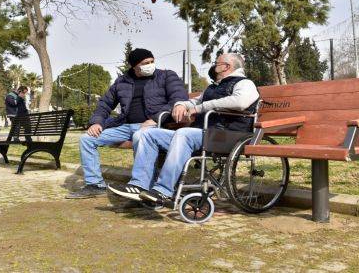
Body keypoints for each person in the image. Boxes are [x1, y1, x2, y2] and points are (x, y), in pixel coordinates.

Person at [108, 53, 259, 205]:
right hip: (203, 134)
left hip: (228, 135)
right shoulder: (215, 86)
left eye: (217, 63)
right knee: (147, 134)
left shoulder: (245, 83)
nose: (214, 66)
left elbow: (241, 102)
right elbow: (193, 101)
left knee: (183, 133)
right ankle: (139, 185)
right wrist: (181, 104)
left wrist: (200, 108)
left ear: (227, 66)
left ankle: (163, 191)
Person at [65, 48, 188, 199]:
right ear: (134, 66)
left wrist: (156, 119)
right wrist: (96, 122)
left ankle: (143, 187)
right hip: (124, 126)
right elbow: (104, 104)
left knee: (139, 136)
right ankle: (95, 184)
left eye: (152, 61)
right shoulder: (122, 81)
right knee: (87, 139)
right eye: (145, 63)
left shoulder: (166, 76)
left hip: (153, 126)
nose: (150, 65)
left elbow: (178, 97)